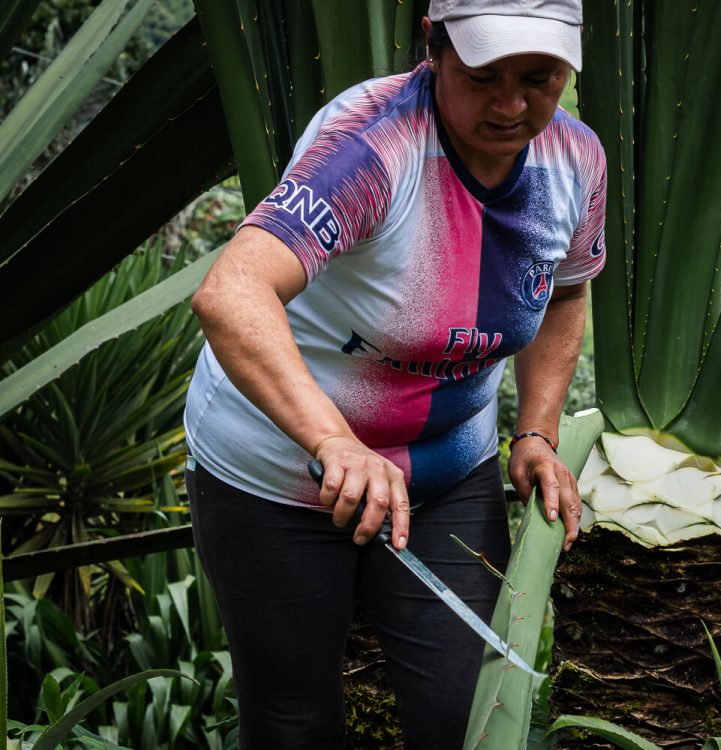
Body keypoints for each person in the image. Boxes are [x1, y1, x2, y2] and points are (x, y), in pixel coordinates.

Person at [183, 0, 606, 746]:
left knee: (466, 712)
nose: (511, 104)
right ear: (433, 50)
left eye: (539, 78)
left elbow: (567, 290)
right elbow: (230, 292)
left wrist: (535, 429)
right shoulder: (375, 149)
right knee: (292, 720)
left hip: (448, 470)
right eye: (483, 76)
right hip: (280, 471)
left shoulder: (576, 162)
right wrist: (335, 444)